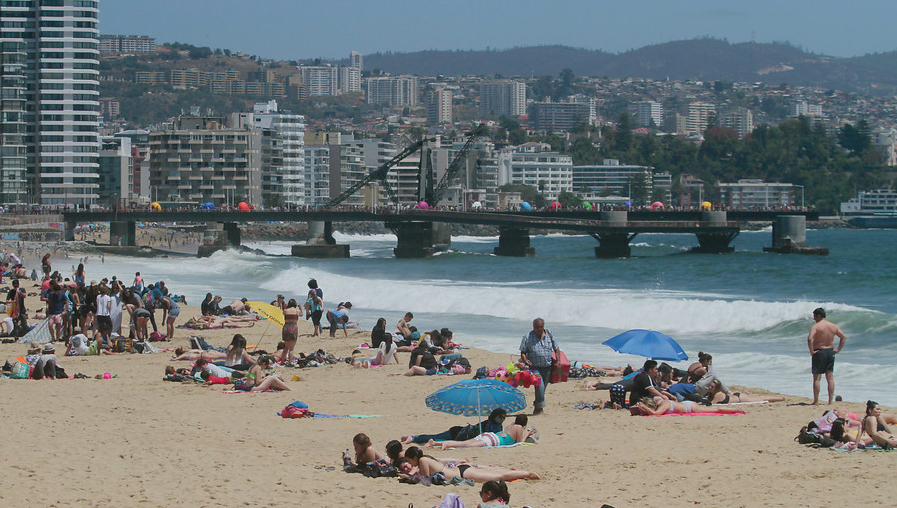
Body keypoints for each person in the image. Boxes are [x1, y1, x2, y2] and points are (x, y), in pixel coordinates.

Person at [403, 446, 539, 483]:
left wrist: (411, 478)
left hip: (463, 473)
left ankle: (527, 473)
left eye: (409, 461)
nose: (410, 463)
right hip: (461, 470)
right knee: (494, 474)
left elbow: (426, 480)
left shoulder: (422, 461)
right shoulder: (426, 458)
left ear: (414, 457)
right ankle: (520, 472)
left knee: (497, 477)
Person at [400, 408, 508, 445]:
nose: (502, 419)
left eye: (504, 417)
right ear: (495, 416)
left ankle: (413, 438)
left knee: (438, 439)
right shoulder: (488, 425)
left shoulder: (496, 426)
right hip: (457, 432)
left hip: (461, 435)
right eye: (500, 417)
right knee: (435, 437)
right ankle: (413, 438)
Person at [519, 318, 559, 415]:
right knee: (539, 387)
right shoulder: (528, 337)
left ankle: (537, 408)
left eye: (541, 327)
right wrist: (525, 360)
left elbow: (556, 348)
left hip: (548, 367)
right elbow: (523, 352)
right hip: (535, 368)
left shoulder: (549, 334)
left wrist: (558, 361)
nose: (539, 329)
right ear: (533, 327)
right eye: (537, 327)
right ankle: (540, 410)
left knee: (541, 389)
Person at [428, 415, 537, 450]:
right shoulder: (519, 428)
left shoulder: (511, 425)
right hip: (494, 440)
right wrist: (528, 434)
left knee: (466, 442)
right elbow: (519, 442)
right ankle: (445, 444)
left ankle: (434, 443)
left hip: (490, 435)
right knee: (465, 444)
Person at [807, 307, 846, 405]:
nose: (814, 318)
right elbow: (843, 337)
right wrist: (838, 350)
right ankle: (830, 401)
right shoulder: (833, 326)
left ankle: (816, 401)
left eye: (814, 316)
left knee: (817, 378)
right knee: (830, 378)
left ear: (819, 316)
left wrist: (811, 351)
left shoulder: (816, 326)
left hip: (819, 352)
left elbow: (810, 339)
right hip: (830, 352)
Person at [635, 396, 746, 415]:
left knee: (715, 409)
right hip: (687, 406)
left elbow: (656, 413)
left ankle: (736, 409)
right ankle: (735, 409)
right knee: (713, 409)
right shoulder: (660, 402)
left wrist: (644, 407)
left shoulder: (664, 404)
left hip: (690, 407)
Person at [706, 379, 784, 404]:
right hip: (736, 396)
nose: (709, 387)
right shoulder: (712, 394)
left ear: (716, 388)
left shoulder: (718, 395)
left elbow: (711, 404)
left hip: (740, 398)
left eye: (712, 387)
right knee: (758, 398)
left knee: (760, 399)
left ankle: (779, 398)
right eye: (710, 385)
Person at [282, 298, 301, 365]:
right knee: (291, 349)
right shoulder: (296, 311)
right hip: (293, 327)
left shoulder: (286, 310)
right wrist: (300, 308)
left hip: (286, 327)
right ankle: (289, 363)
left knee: (286, 347)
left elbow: (283, 313)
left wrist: (284, 307)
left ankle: (282, 362)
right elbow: (301, 314)